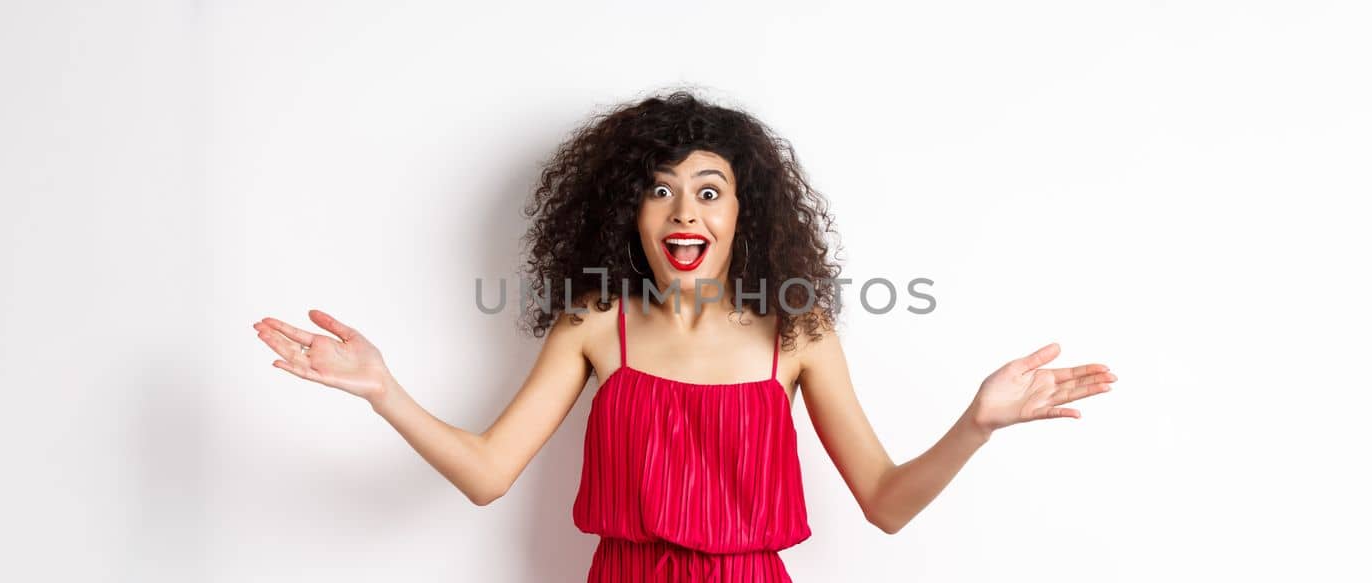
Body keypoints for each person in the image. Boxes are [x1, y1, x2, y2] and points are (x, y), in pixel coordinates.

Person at [252, 91, 1116, 582]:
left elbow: (886, 503)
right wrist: (382, 390)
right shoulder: (595, 326)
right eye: (659, 190)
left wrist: (977, 422)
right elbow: (487, 474)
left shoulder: (797, 335)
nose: (683, 210)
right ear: (629, 211)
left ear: (746, 214)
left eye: (709, 190)